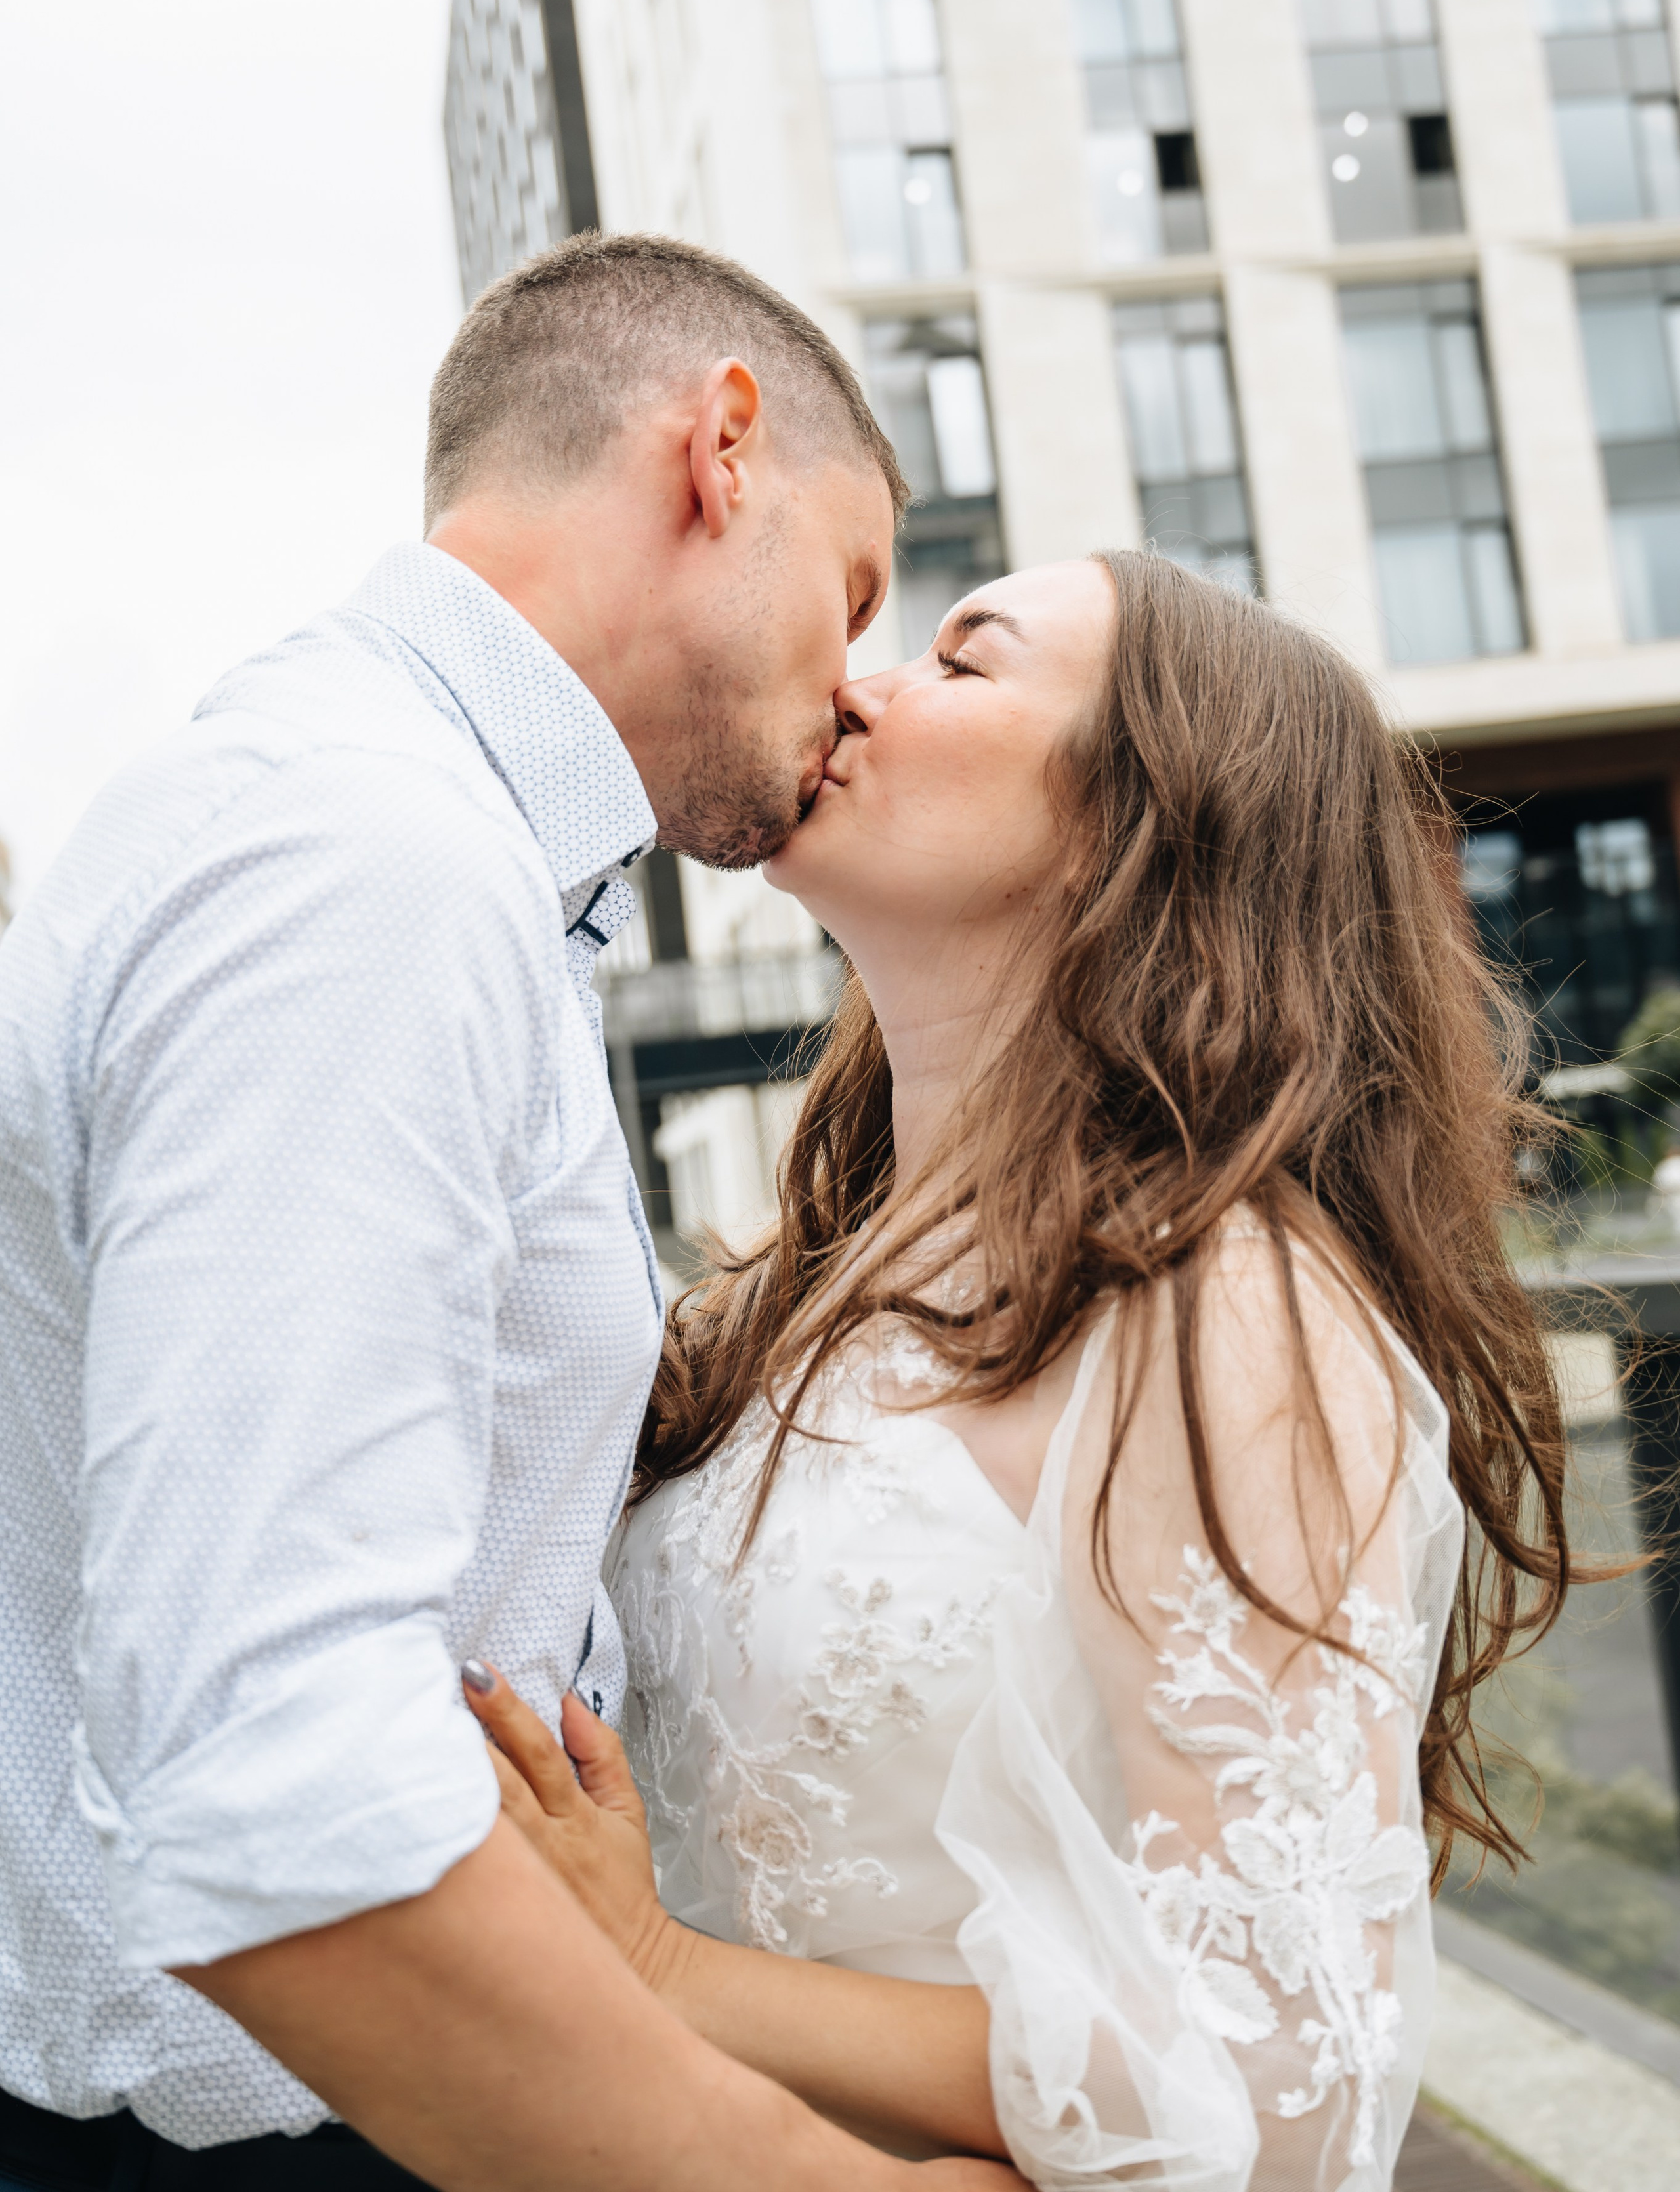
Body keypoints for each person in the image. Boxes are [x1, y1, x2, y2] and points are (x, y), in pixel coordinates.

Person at [0, 232, 1020, 2192]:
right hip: (310, 2130)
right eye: (857, 587)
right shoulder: (369, 868)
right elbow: (268, 1776)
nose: (856, 681)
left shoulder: (385, 830)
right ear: (722, 452)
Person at [459, 551, 1574, 2189]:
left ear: (1147, 823)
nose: (856, 684)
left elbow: (1287, 2080)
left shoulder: (1219, 1305)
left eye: (963, 663)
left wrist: (662, 1968)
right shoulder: (772, 1300)